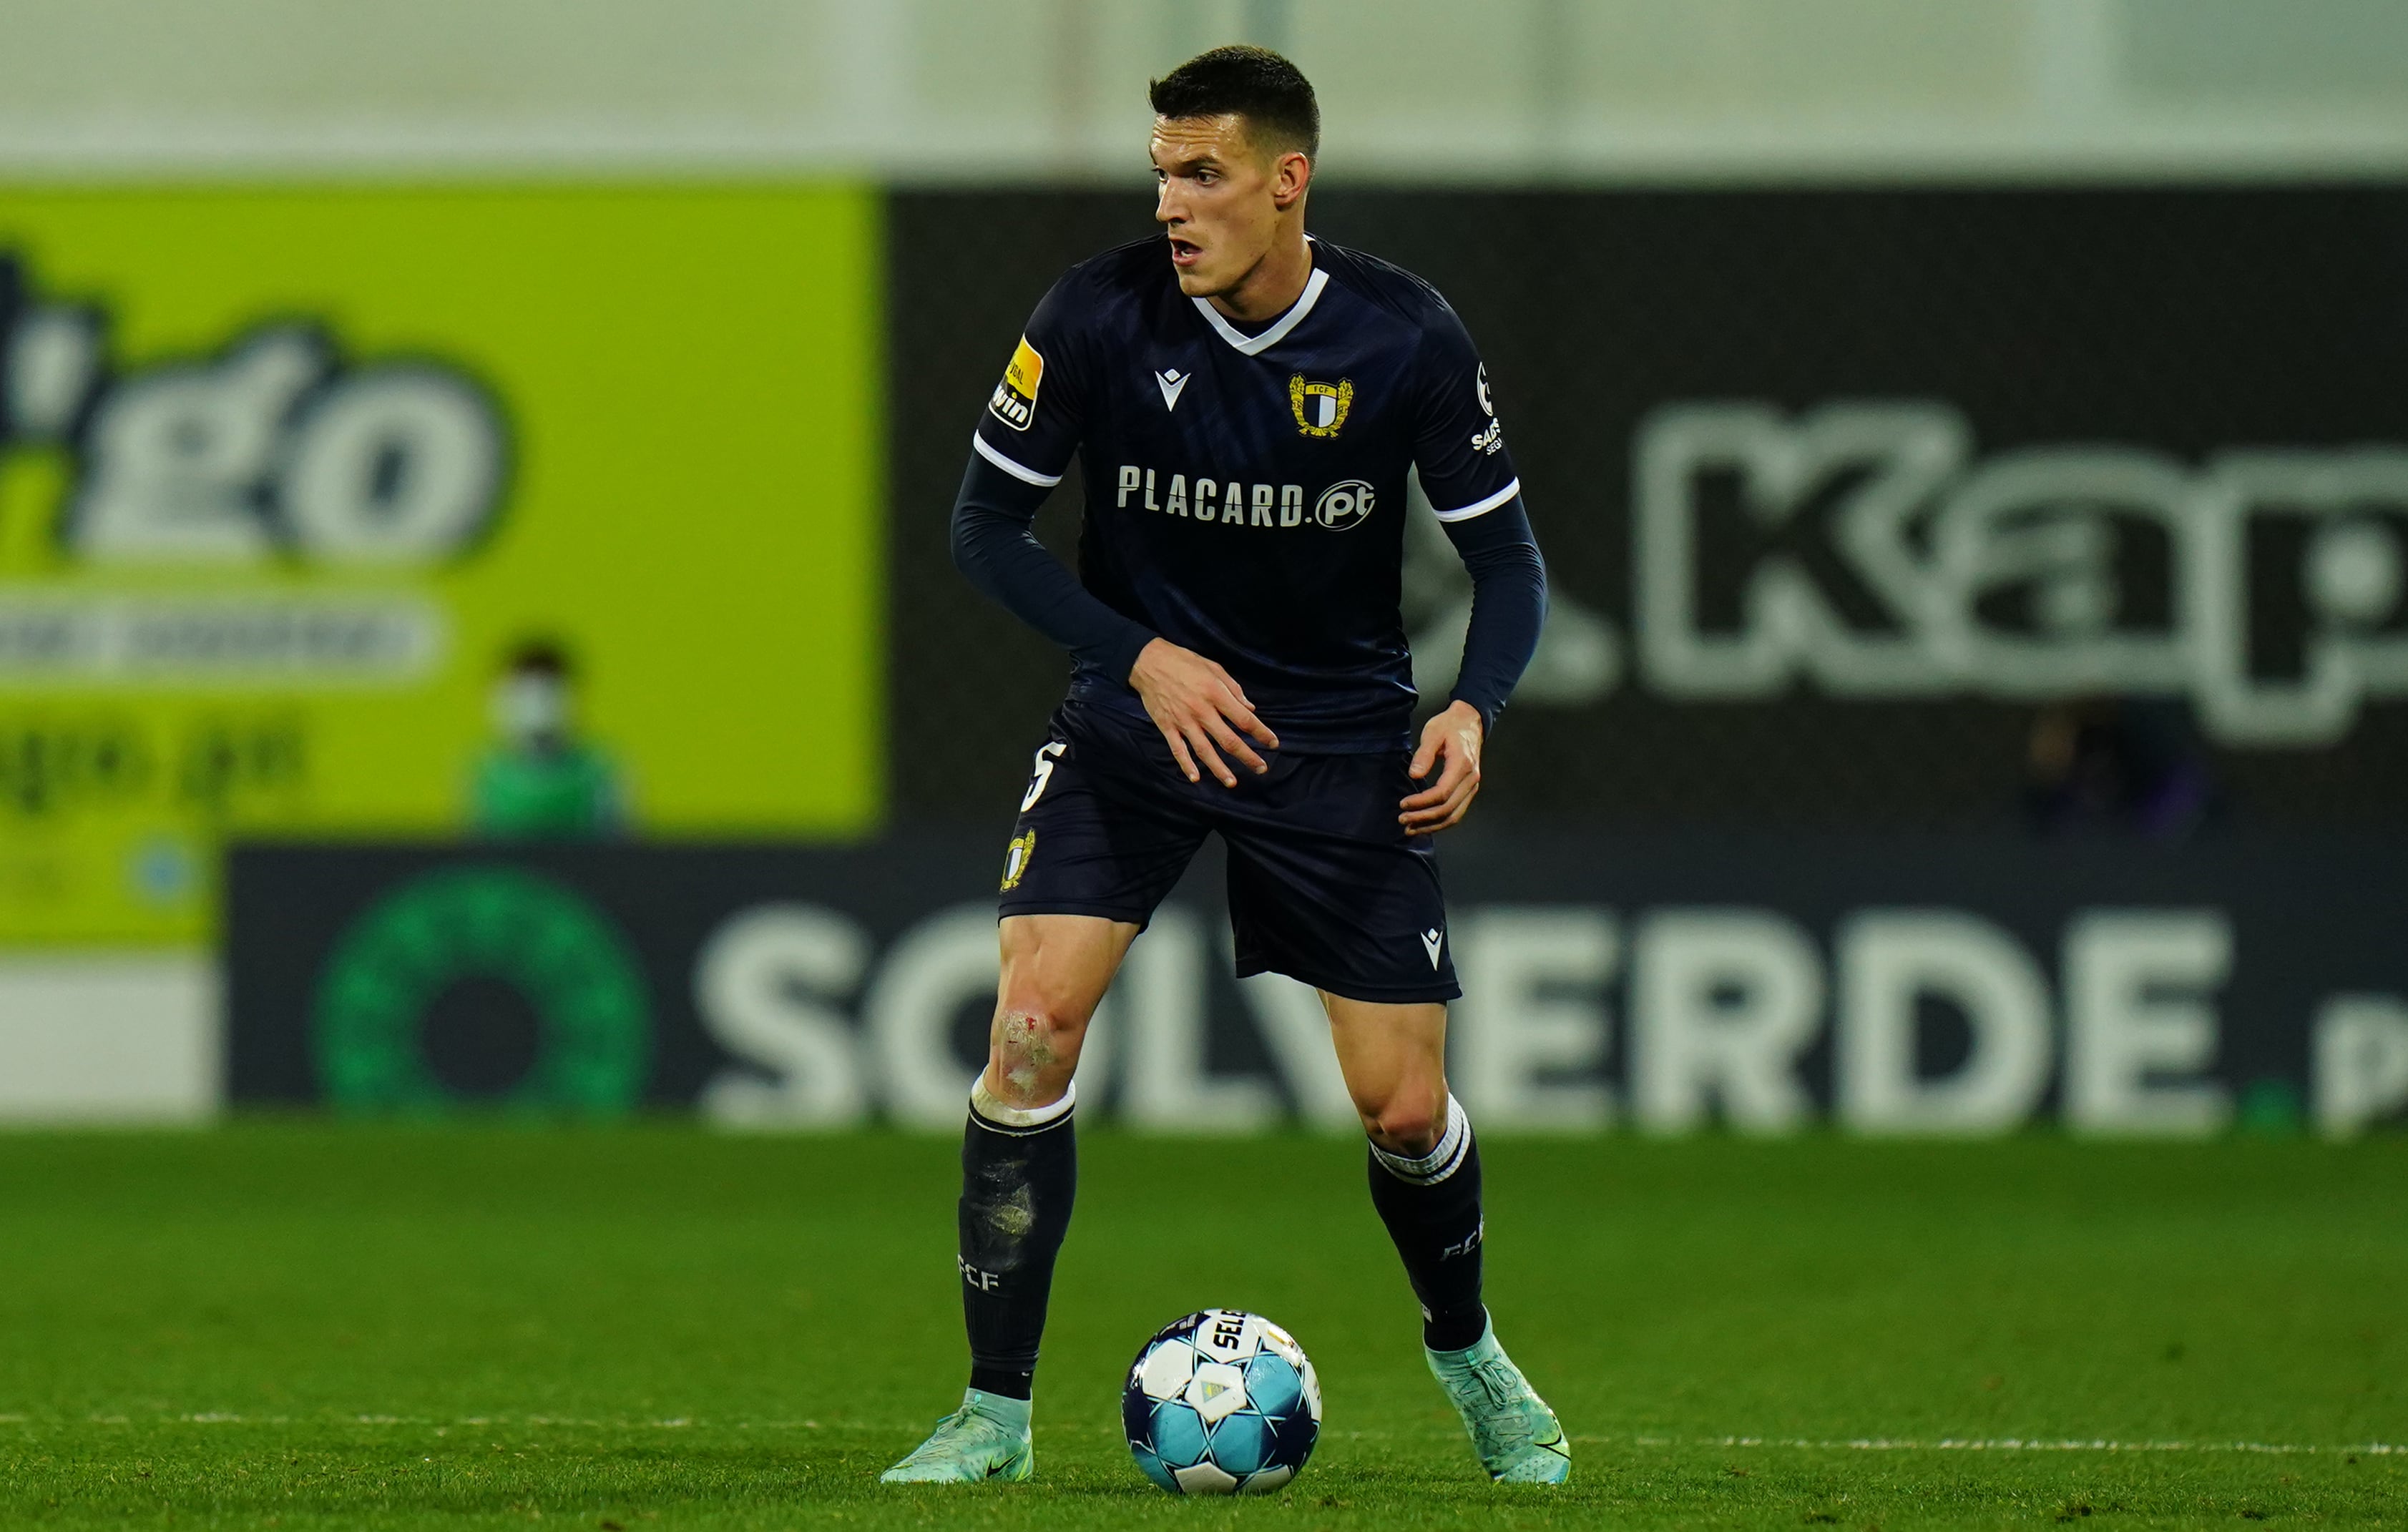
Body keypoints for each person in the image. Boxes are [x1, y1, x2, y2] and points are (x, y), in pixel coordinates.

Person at [881, 46, 1564, 1487]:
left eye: (1203, 175)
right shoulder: (1095, 315)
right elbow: (980, 533)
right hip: (1135, 732)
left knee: (1401, 1107)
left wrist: (1475, 709)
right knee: (1027, 1032)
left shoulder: (1403, 337)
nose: (1174, 204)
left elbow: (1505, 560)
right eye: (1162, 173)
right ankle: (992, 1414)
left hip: (1335, 744)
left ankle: (1467, 1350)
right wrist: (1140, 655)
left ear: (1285, 182)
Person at [466, 639, 628, 840]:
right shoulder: (482, 772)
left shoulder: (603, 768)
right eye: (527, 691)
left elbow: (625, 846)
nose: (539, 702)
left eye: (550, 690)